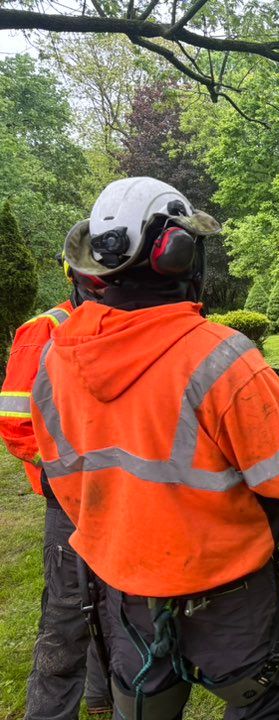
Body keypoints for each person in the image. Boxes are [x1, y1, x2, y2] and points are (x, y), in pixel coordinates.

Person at [30, 177, 279, 719]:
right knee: (263, 697)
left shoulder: (55, 357)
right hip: (227, 594)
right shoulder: (218, 355)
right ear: (176, 252)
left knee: (143, 709)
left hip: (123, 588)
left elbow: (65, 480)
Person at [0, 262, 111, 719]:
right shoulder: (45, 328)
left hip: (122, 491)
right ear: (77, 276)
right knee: (68, 617)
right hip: (70, 497)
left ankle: (101, 694)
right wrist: (60, 470)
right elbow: (15, 419)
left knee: (116, 602)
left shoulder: (122, 321)